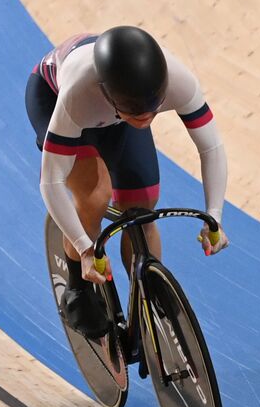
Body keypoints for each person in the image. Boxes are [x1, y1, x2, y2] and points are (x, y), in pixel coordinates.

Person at [24, 26, 230, 338]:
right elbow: (50, 182)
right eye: (138, 113)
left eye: (153, 110)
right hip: (53, 99)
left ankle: (148, 296)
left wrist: (214, 215)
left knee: (142, 204)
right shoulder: (78, 94)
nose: (147, 118)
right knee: (95, 195)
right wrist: (84, 250)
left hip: (117, 111)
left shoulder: (176, 80)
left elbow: (211, 147)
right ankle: (78, 290)